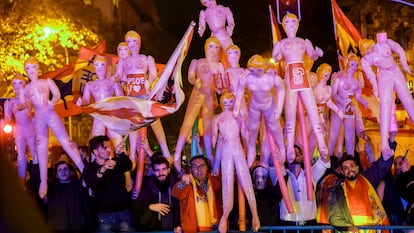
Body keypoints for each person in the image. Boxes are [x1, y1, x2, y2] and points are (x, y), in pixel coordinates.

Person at [21, 57, 84, 198]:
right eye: (28, 69)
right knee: (41, 146)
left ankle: (83, 171)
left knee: (66, 142)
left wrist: (52, 102)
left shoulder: (47, 81)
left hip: (50, 113)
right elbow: (25, 105)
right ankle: (44, 182)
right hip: (39, 118)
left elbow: (57, 94)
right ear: (25, 71)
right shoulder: (26, 89)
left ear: (38, 68)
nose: (31, 71)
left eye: (33, 67)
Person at [272, 13, 327, 163]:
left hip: (302, 75)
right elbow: (275, 58)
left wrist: (317, 53)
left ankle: (321, 143)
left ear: (297, 24)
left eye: (293, 21)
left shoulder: (304, 41)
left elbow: (312, 55)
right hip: (290, 75)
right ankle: (289, 147)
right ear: (283, 25)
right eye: (287, 22)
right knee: (290, 113)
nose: (291, 24)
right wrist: (276, 56)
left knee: (312, 110)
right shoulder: (281, 43)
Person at [115, 30, 171, 168]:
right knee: (134, 125)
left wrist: (148, 81)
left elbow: (153, 74)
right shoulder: (123, 62)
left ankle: (165, 151)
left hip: (145, 94)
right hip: (132, 97)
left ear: (139, 42)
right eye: (129, 41)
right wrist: (114, 79)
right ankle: (132, 155)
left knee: (153, 119)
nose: (132, 44)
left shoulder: (147, 59)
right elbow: (119, 76)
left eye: (135, 41)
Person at [173, 36, 225, 171]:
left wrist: (219, 76)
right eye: (210, 46)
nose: (213, 50)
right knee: (188, 121)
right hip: (197, 94)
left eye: (216, 47)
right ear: (206, 47)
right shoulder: (197, 62)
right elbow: (191, 76)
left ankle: (208, 155)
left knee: (207, 127)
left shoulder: (218, 66)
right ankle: (177, 153)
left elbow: (220, 86)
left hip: (209, 98)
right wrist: (195, 81)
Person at [212, 92, 260, 232]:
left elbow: (245, 133)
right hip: (226, 149)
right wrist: (214, 142)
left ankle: (255, 214)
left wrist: (251, 140)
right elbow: (215, 136)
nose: (228, 103)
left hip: (237, 147)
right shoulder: (217, 118)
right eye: (225, 101)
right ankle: (225, 215)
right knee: (227, 180)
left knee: (245, 178)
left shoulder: (238, 116)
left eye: (230, 100)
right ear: (221, 102)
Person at [360, 32, 414, 157]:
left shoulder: (385, 43)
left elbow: (399, 49)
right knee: (385, 107)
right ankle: (384, 144)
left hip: (395, 70)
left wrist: (404, 63)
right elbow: (371, 75)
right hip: (384, 76)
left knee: (408, 100)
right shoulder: (366, 59)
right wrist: (375, 87)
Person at [234, 54, 285, 168]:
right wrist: (237, 106)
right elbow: (240, 90)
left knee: (274, 127)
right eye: (253, 70)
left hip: (268, 105)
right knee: (253, 132)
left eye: (259, 70)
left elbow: (281, 90)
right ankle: (250, 160)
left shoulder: (271, 79)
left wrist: (279, 107)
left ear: (263, 68)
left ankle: (282, 148)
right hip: (254, 106)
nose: (256, 72)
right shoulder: (247, 78)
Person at [327, 148, 395, 231]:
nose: (349, 170)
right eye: (345, 168)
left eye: (352, 166)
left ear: (357, 168)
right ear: (342, 172)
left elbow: (382, 167)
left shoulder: (369, 178)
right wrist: (349, 228)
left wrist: (391, 141)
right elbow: (334, 216)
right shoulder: (337, 190)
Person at [82, 135, 133, 232]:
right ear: (95, 151)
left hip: (123, 212)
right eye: (105, 147)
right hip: (104, 216)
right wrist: (103, 168)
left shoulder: (115, 162)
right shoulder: (89, 168)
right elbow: (92, 183)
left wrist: (121, 153)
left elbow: (128, 166)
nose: (109, 149)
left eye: (110, 146)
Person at [279, 145, 330, 229]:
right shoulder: (281, 175)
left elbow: (325, 160)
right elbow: (271, 163)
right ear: (286, 157)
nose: (297, 154)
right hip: (287, 226)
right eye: (293, 153)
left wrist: (320, 138)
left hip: (309, 226)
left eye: (299, 153)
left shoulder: (310, 174)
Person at [327, 54, 368, 157]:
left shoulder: (356, 82)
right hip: (339, 109)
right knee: (333, 135)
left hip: (350, 109)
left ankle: (350, 157)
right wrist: (339, 100)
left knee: (350, 136)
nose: (354, 66)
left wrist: (364, 101)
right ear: (347, 64)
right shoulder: (339, 79)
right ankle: (328, 158)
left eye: (356, 64)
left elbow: (358, 96)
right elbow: (333, 94)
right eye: (352, 64)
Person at [77, 55, 124, 145]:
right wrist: (81, 102)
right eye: (97, 65)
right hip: (98, 114)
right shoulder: (90, 84)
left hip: (110, 114)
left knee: (118, 142)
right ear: (94, 67)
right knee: (97, 142)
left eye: (102, 65)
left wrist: (116, 83)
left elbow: (120, 96)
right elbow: (86, 100)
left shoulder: (111, 81)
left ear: (106, 66)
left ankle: (121, 157)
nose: (100, 68)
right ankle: (99, 158)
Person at [172, 155, 222, 232]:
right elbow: (176, 193)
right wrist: (182, 183)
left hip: (215, 227)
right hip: (193, 227)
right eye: (195, 167)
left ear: (207, 167)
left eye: (202, 166)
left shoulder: (215, 182)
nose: (199, 169)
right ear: (191, 169)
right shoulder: (187, 183)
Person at [3, 74, 38, 185]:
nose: (17, 86)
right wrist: (5, 120)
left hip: (30, 128)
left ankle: (38, 179)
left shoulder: (31, 98)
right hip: (19, 129)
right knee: (21, 155)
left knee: (34, 153)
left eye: (20, 83)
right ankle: (21, 181)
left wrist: (18, 107)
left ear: (24, 84)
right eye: (14, 83)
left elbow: (25, 106)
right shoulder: (9, 102)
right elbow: (7, 118)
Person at [132, 155, 180, 232]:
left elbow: (182, 208)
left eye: (163, 169)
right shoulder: (148, 187)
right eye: (157, 170)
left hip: (174, 230)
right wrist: (150, 207)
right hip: (154, 229)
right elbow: (137, 209)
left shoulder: (176, 186)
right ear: (153, 172)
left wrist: (179, 224)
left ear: (168, 170)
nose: (161, 173)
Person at [308, 64, 343, 155]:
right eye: (325, 75)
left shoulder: (328, 89)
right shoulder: (313, 89)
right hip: (312, 116)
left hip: (323, 115)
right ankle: (309, 156)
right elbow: (309, 104)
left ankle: (319, 156)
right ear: (320, 73)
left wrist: (338, 111)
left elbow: (329, 102)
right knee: (313, 136)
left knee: (324, 136)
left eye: (328, 75)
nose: (326, 77)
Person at [46, 161, 91, 232]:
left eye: (65, 169)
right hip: (58, 228)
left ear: (71, 172)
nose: (63, 172)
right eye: (60, 170)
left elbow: (86, 206)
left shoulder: (78, 186)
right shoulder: (51, 188)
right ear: (57, 175)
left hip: (77, 227)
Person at [395, 155, 414, 225]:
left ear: (407, 163)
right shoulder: (398, 181)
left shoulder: (411, 173)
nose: (397, 167)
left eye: (400, 164)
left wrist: (406, 172)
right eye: (395, 164)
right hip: (406, 218)